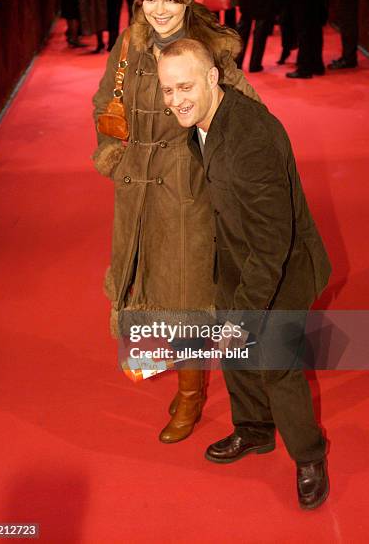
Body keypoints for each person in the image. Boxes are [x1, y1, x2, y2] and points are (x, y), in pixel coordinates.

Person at [92, 0, 261, 444]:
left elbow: (247, 112)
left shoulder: (207, 48)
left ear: (188, 0)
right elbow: (107, 102)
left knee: (186, 297)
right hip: (134, 187)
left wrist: (223, 168)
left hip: (187, 188)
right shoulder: (130, 44)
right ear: (140, 1)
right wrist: (113, 155)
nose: (159, 10)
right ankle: (168, 370)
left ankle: (190, 396)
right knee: (144, 286)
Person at [157, 37, 331, 509]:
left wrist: (244, 316)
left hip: (285, 265)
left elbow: (274, 243)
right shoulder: (202, 121)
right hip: (238, 255)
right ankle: (254, 430)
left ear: (213, 78)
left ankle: (310, 456)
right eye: (168, 91)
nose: (176, 101)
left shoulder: (250, 137)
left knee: (276, 362)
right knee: (236, 352)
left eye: (185, 87)